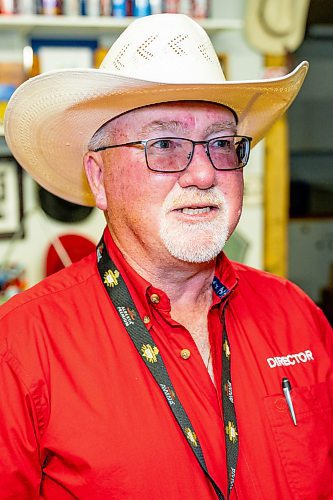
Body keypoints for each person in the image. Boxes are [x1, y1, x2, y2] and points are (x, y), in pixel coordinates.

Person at [0, 13, 332, 500]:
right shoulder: (21, 346)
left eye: (221, 144)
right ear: (98, 177)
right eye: (164, 144)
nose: (203, 173)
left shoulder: (296, 316)